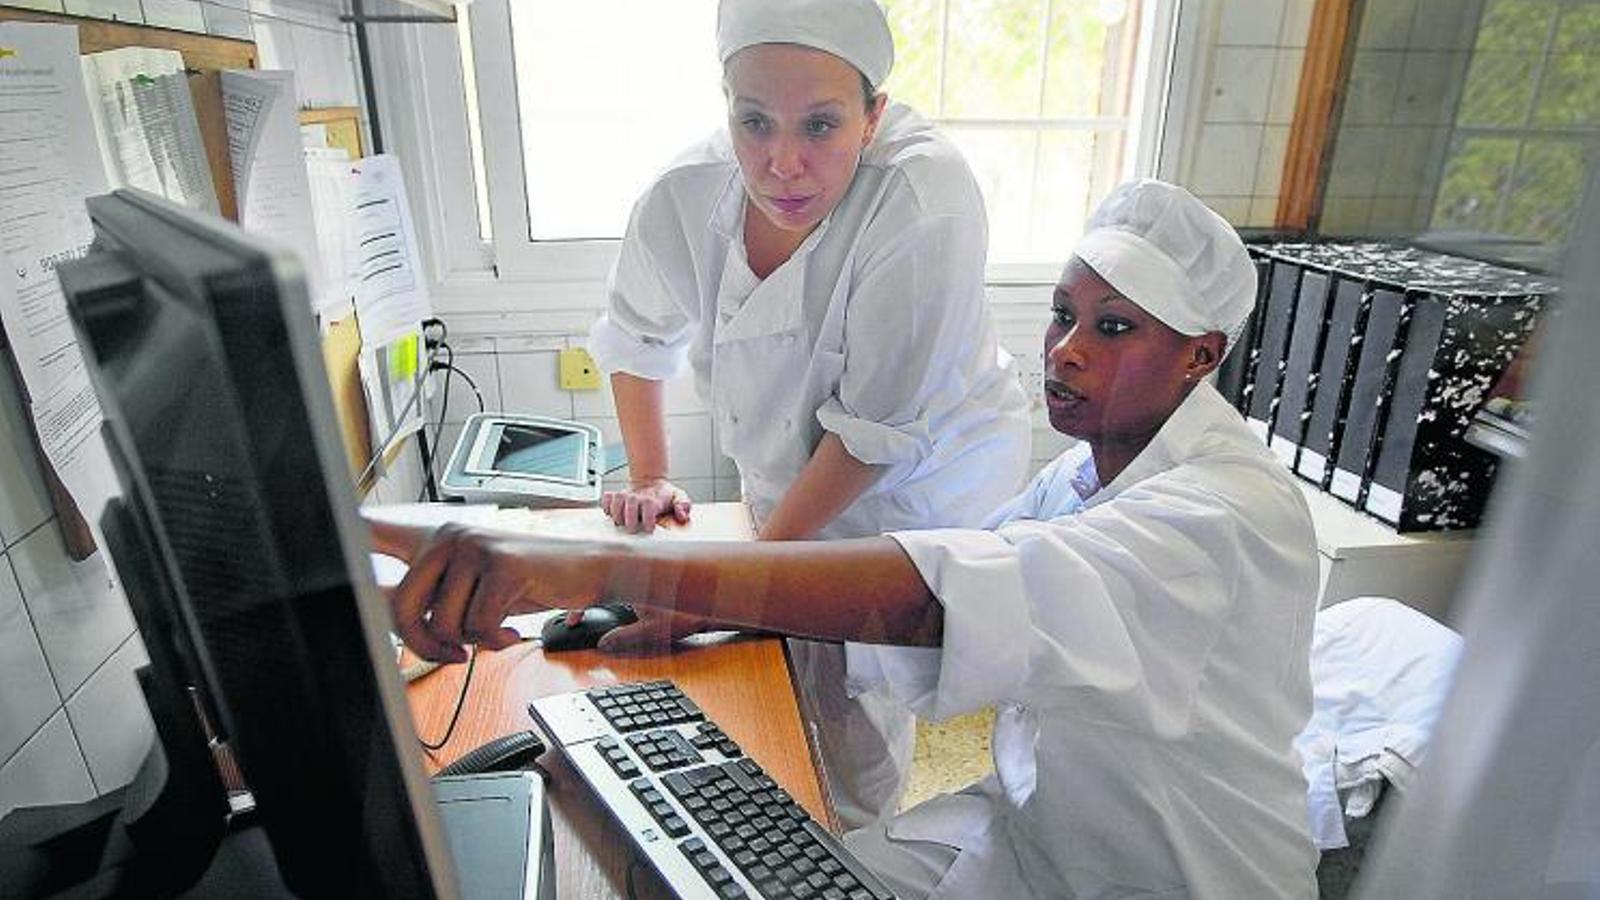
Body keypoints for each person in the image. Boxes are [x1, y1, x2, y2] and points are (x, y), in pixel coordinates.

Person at [376, 180, 1322, 898]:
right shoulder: (1087, 473)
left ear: (1203, 355)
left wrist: (589, 562)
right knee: (775, 866)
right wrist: (715, 610)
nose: (1067, 350)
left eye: (1114, 329)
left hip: (1170, 876)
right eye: (1063, 316)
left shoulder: (1223, 517)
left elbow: (938, 600)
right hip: (1043, 841)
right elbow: (955, 591)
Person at [582, 0, 1030, 828]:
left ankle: (854, 850)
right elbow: (636, 336)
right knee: (782, 678)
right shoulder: (682, 196)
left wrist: (732, 592)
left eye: (821, 125)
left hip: (915, 478)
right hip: (798, 474)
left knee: (853, 704)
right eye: (754, 121)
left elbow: (872, 434)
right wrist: (649, 475)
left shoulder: (925, 202)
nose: (783, 164)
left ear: (874, 116)